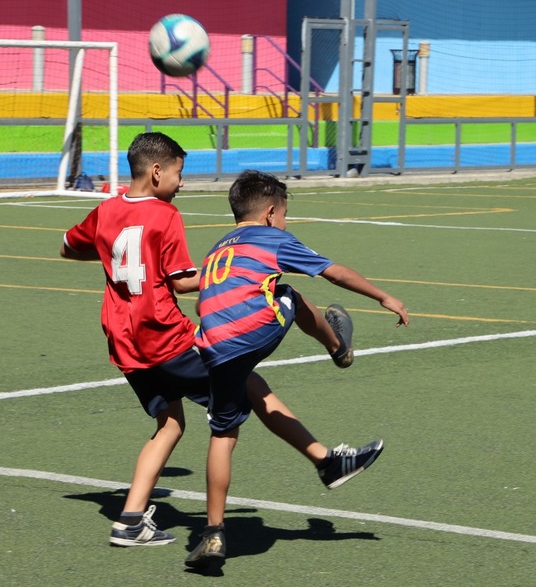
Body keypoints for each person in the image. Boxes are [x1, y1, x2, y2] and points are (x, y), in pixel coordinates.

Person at [61, 133, 379, 548]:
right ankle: (326, 462)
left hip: (124, 341)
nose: (181, 183)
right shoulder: (164, 215)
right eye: (178, 173)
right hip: (164, 334)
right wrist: (230, 275)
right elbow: (182, 282)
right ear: (157, 171)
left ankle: (130, 520)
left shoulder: (105, 210)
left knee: (170, 423)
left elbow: (69, 247)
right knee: (249, 384)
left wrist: (114, 258)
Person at [184, 169, 409, 571]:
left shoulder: (218, 249)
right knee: (288, 292)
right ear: (271, 212)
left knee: (227, 428)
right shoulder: (272, 238)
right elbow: (333, 271)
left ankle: (214, 533)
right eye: (285, 214)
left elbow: (201, 296)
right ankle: (338, 347)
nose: (286, 222)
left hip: (211, 346)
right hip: (251, 330)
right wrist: (383, 296)